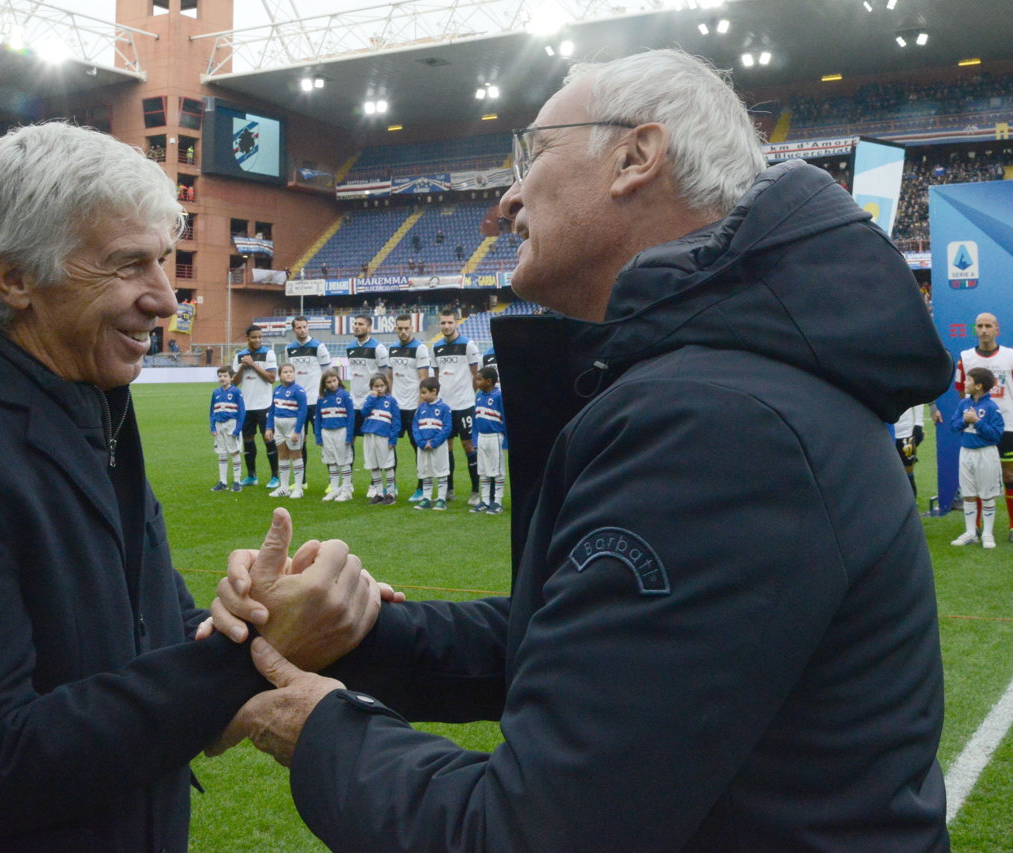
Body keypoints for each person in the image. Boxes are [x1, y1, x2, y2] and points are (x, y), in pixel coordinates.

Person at [208, 48, 952, 851]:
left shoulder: (716, 421)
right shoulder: (720, 383)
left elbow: (532, 832)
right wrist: (363, 635)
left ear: (636, 157)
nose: (507, 197)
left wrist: (322, 727)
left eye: (533, 153)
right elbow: (597, 649)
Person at [0, 122, 385, 852]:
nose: (166, 299)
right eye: (128, 266)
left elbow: (155, 639)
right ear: (15, 278)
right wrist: (241, 656)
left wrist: (254, 611)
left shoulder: (93, 410)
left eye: (165, 261)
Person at [954, 312, 1013, 542]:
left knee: (1009, 473)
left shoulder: (1011, 356)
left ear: (997, 329)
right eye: (980, 326)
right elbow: (960, 391)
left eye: (988, 326)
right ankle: (974, 529)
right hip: (974, 426)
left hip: (1005, 426)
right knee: (975, 476)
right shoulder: (965, 358)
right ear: (975, 329)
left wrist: (1005, 411)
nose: (984, 330)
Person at [950, 367, 1006, 548]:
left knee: (987, 495)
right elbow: (953, 426)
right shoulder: (963, 405)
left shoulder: (991, 407)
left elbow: (996, 436)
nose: (964, 383)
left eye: (968, 380)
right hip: (965, 452)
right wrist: (965, 421)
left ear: (979, 385)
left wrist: (978, 422)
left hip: (985, 454)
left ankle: (988, 534)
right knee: (968, 494)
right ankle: (970, 532)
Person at [431, 307, 481, 503]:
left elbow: (476, 375)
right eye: (443, 323)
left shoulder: (468, 345)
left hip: (465, 405)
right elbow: (436, 377)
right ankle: (448, 490)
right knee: (446, 447)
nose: (446, 326)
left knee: (468, 445)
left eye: (449, 322)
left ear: (456, 323)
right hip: (445, 407)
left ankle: (476, 491)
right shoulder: (436, 347)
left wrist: (468, 395)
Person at [388, 313, 432, 501]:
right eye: (400, 328)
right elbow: (389, 378)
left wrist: (420, 408)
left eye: (406, 328)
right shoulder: (392, 349)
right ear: (395, 329)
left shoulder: (420, 349)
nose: (403, 331)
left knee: (418, 448)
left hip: (413, 408)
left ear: (412, 328)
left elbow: (423, 380)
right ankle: (391, 485)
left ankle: (422, 487)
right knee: (390, 447)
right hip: (396, 407)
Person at [345, 314, 391, 494]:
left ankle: (376, 483)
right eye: (355, 324)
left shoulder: (378, 348)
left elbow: (385, 376)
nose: (356, 327)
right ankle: (347, 483)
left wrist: (382, 398)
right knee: (349, 442)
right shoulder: (350, 348)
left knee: (375, 444)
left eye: (361, 324)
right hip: (354, 403)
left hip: (372, 404)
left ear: (369, 327)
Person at [284, 315, 331, 487]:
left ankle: (332, 481)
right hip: (298, 404)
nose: (302, 330)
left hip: (316, 402)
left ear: (308, 327)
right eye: (298, 327)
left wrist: (324, 395)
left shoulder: (319, 347)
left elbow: (328, 373)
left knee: (324, 440)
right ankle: (301, 481)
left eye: (304, 327)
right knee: (298, 442)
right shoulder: (290, 349)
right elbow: (289, 375)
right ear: (294, 329)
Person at [234, 324, 279, 488]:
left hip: (264, 405)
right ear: (247, 338)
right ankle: (251, 475)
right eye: (254, 337)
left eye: (260, 337)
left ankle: (275, 476)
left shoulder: (268, 353)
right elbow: (235, 382)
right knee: (247, 440)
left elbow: (272, 378)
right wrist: (242, 367)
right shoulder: (240, 356)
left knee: (268, 438)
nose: (257, 340)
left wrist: (253, 364)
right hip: (246, 405)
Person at [266, 363, 308, 499]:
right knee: (282, 455)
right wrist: (269, 427)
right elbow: (272, 410)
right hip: (279, 428)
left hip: (292, 426)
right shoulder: (277, 390)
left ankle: (298, 488)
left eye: (291, 371)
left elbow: (303, 412)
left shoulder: (299, 391)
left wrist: (297, 431)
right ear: (280, 375)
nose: (289, 374)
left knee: (296, 455)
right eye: (285, 372)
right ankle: (284, 487)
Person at [410, 376, 452, 510]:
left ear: (434, 391)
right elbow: (415, 426)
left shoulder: (444, 408)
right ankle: (426, 498)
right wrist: (421, 442)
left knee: (441, 472)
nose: (421, 396)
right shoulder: (421, 409)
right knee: (425, 471)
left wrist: (434, 442)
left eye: (424, 392)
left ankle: (441, 499)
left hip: (438, 446)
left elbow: (447, 428)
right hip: (423, 446)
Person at [469, 366, 506, 514]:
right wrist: (475, 438)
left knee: (497, 470)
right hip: (482, 438)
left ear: (489, 381)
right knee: (483, 470)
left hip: (495, 437)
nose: (476, 382)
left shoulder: (499, 396)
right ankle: (484, 500)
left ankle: (497, 502)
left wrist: (506, 440)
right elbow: (475, 418)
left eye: (479, 379)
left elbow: (505, 419)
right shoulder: (478, 395)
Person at [314, 367, 355, 502]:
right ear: (324, 384)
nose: (332, 384)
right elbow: (318, 418)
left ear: (339, 380)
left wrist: (349, 436)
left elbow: (351, 417)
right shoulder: (321, 398)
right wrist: (318, 436)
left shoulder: (345, 395)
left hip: (341, 431)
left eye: (334, 380)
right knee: (331, 461)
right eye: (329, 382)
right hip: (327, 432)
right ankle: (334, 489)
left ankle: (347, 490)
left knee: (344, 461)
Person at [359, 374, 400, 505]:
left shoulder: (391, 401)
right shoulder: (370, 399)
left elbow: (396, 422)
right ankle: (379, 493)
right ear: (372, 387)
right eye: (376, 386)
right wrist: (372, 397)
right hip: (369, 436)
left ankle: (391, 493)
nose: (379, 388)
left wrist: (392, 440)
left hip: (384, 436)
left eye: (382, 385)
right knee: (374, 465)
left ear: (386, 386)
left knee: (387, 465)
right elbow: (363, 412)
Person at [210, 364, 246, 492]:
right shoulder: (216, 392)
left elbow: (242, 412)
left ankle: (237, 481)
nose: (222, 378)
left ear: (231, 378)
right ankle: (223, 482)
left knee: (234, 452)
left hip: (232, 424)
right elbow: (212, 411)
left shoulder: (236, 392)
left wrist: (237, 429)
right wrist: (212, 426)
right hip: (219, 425)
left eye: (225, 376)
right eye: (220, 376)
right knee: (222, 453)